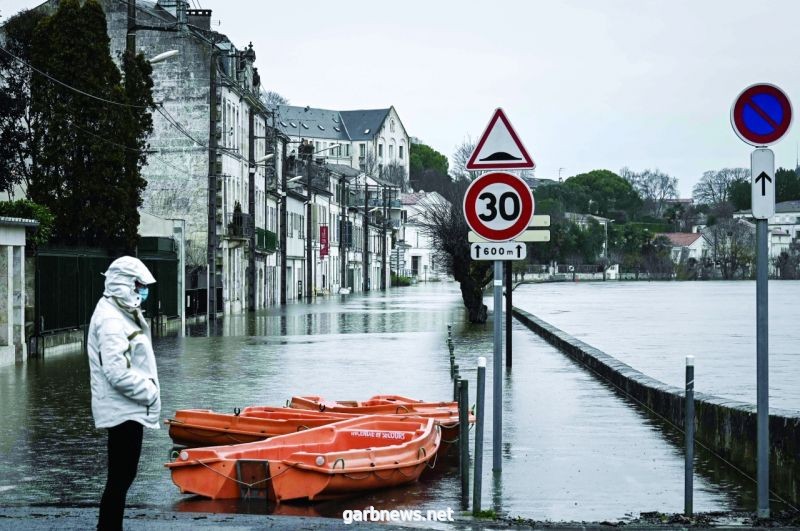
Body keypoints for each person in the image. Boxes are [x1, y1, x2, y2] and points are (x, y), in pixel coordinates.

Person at [87, 256, 161, 531]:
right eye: (140, 285)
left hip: (129, 408)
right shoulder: (110, 318)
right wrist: (150, 393)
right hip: (124, 410)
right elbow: (116, 372)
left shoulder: (120, 311)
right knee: (120, 478)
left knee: (122, 478)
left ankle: (109, 527)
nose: (144, 291)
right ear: (125, 284)